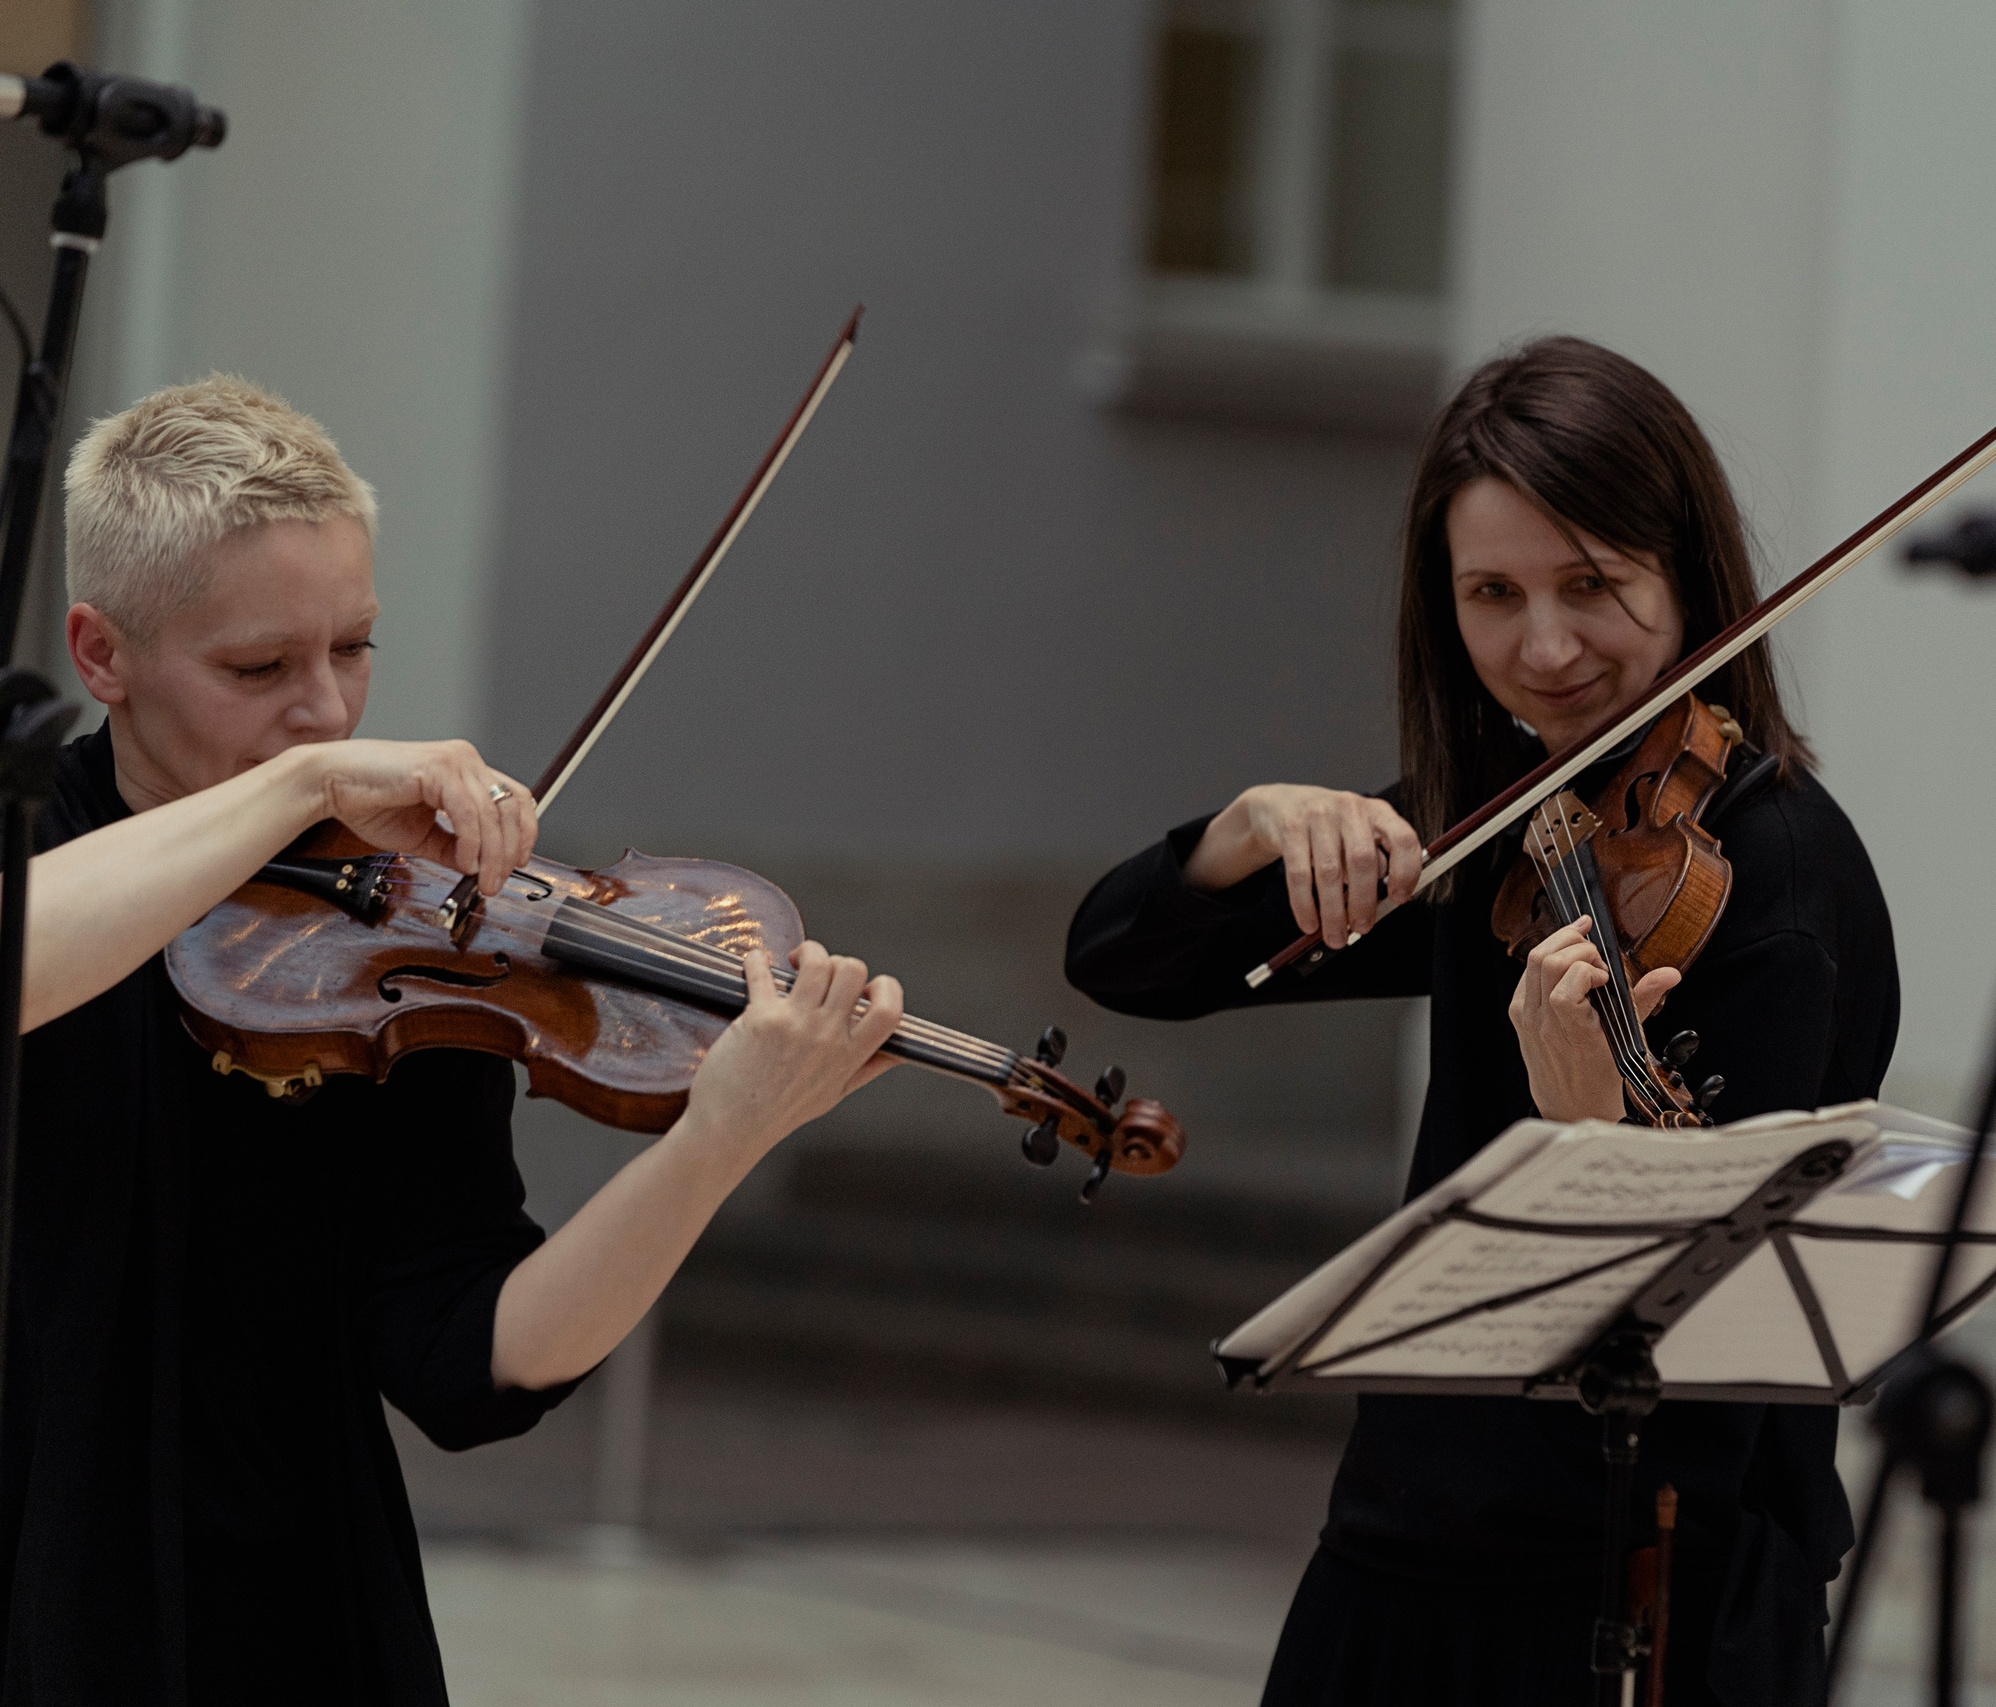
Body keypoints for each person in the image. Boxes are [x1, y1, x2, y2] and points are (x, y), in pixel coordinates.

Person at [1, 375, 904, 1704]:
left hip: (287, 1623)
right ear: (101, 655)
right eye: (260, 668)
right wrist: (294, 791)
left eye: (353, 649)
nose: (326, 712)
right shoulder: (37, 847)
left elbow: (473, 1359)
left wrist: (717, 1143)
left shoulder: (405, 953)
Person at [1065, 338, 1898, 1704]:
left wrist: (1587, 1119)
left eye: (1593, 586)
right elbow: (1120, 960)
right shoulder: (1499, 824)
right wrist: (1247, 831)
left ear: (1686, 576)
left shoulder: (1782, 884)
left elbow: (1699, 1322)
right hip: (1404, 1551)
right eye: (1492, 595)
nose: (1545, 647)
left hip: (1644, 1585)